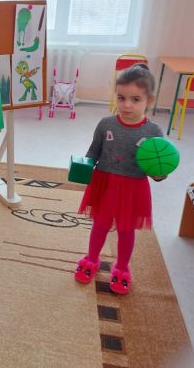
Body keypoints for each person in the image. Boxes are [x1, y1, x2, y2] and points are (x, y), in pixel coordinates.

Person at [74, 64, 165, 294]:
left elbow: (159, 169)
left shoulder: (153, 132)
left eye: (135, 99)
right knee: (100, 225)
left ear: (149, 100)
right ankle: (91, 259)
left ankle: (122, 268)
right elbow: (93, 152)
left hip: (132, 188)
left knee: (126, 230)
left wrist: (159, 174)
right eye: (121, 98)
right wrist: (84, 166)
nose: (126, 105)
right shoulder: (106, 124)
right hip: (105, 185)